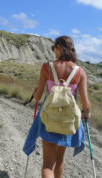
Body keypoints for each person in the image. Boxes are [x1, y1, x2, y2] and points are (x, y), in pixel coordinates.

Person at [23, 35, 91, 178]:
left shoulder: (47, 67)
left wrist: (37, 92)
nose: (53, 51)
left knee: (48, 164)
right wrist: (86, 114)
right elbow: (86, 103)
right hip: (68, 118)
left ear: (59, 48)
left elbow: (37, 97)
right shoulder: (80, 72)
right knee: (59, 160)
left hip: (49, 116)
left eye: (54, 48)